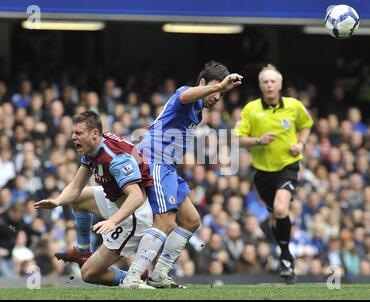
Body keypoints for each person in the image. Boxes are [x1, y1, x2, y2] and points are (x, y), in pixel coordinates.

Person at [120, 61, 243, 288]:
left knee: (190, 220)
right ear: (203, 83)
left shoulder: (198, 112)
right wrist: (218, 86)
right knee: (165, 221)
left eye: (222, 93)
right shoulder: (185, 93)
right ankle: (133, 277)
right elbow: (186, 96)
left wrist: (220, 87)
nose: (217, 96)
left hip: (168, 167)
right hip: (154, 160)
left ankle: (159, 275)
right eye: (216, 89)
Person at [34, 111, 154, 288]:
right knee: (79, 198)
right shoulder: (92, 149)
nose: (74, 137)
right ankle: (83, 250)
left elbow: (135, 196)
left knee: (88, 274)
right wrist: (58, 201)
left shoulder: (115, 158)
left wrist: (113, 221)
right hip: (114, 201)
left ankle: (130, 278)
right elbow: (75, 187)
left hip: (132, 216)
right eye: (73, 133)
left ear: (94, 134)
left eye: (78, 133)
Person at [234, 64, 313, 284]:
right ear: (260, 86)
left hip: (288, 166)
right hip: (262, 172)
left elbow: (306, 125)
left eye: (272, 81)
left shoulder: (294, 106)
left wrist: (301, 143)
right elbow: (239, 139)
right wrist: (258, 140)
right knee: (275, 216)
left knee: (280, 208)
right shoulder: (251, 109)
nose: (269, 85)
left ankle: (286, 258)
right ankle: (285, 255)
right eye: (265, 82)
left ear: (280, 85)